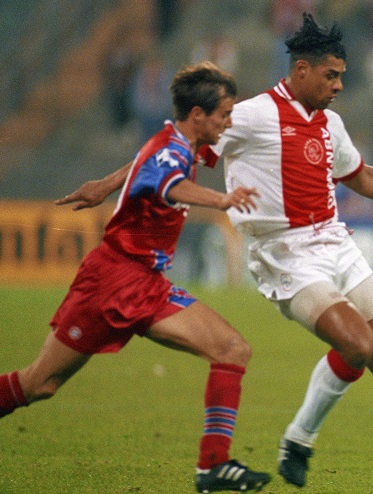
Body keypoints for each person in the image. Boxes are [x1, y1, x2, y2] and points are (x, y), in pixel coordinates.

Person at [58, 14, 373, 494]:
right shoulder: (252, 115)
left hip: (336, 244)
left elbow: (361, 175)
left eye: (342, 76)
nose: (340, 85)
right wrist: (108, 185)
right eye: (331, 76)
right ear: (301, 70)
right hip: (285, 255)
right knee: (357, 345)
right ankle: (299, 437)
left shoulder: (330, 124)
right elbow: (175, 148)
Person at [3, 61, 271, 492]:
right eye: (224, 114)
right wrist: (220, 199)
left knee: (232, 348)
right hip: (110, 282)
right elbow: (169, 183)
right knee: (41, 383)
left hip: (147, 283)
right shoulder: (174, 152)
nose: (229, 122)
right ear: (198, 116)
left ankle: (213, 467)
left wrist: (106, 184)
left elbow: (147, 163)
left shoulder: (177, 141)